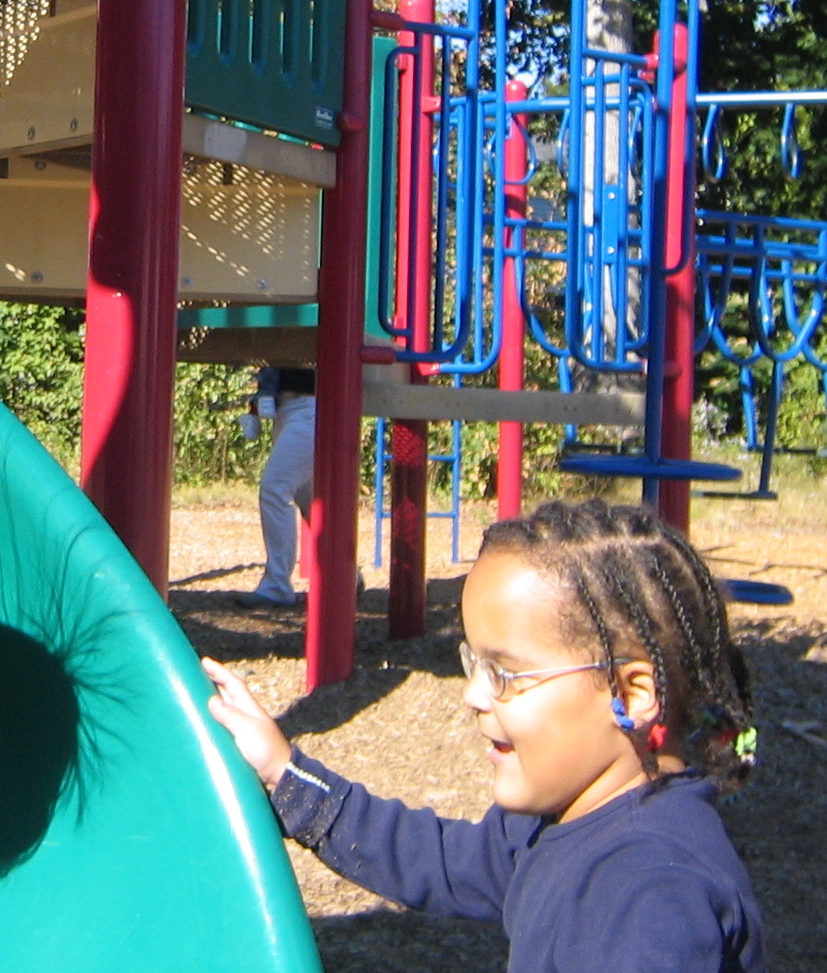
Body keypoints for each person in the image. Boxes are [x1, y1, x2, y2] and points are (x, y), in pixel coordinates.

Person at [205, 498, 766, 971]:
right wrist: (286, 776)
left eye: (504, 672)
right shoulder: (559, 823)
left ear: (631, 693)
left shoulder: (649, 893)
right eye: (473, 665)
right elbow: (443, 860)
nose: (473, 694)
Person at [233, 367, 316, 608]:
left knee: (275, 488)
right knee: (311, 500)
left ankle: (276, 586)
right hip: (290, 410)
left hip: (309, 408)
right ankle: (347, 575)